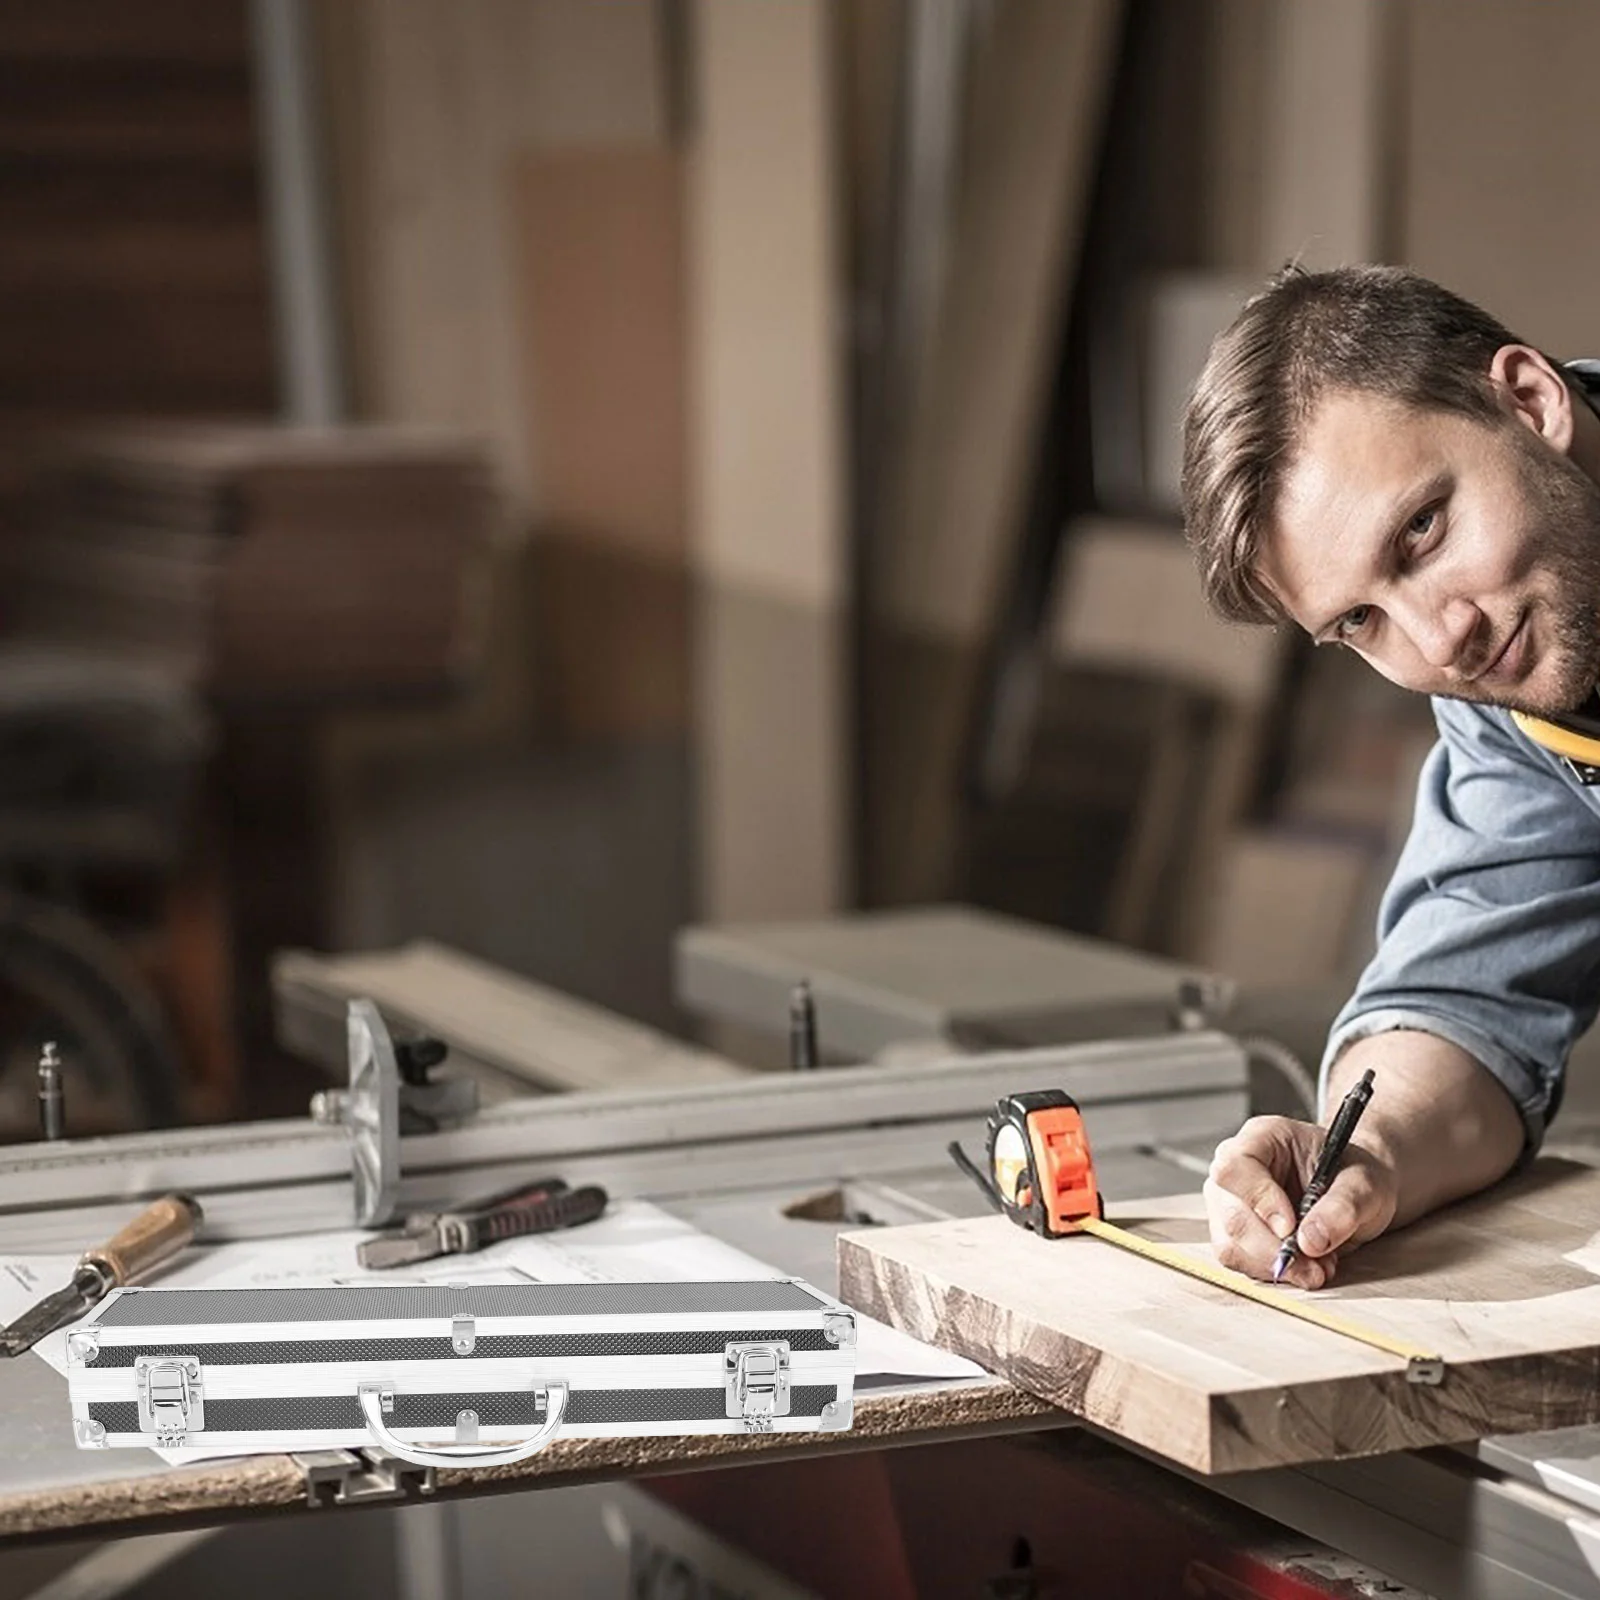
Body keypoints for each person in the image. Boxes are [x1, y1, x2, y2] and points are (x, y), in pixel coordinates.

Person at [1181, 263, 1600, 1287]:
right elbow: (1471, 995)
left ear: (1530, 400)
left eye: (1420, 531)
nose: (1441, 639)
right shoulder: (1511, 692)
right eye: (1359, 619)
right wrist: (1371, 1151)